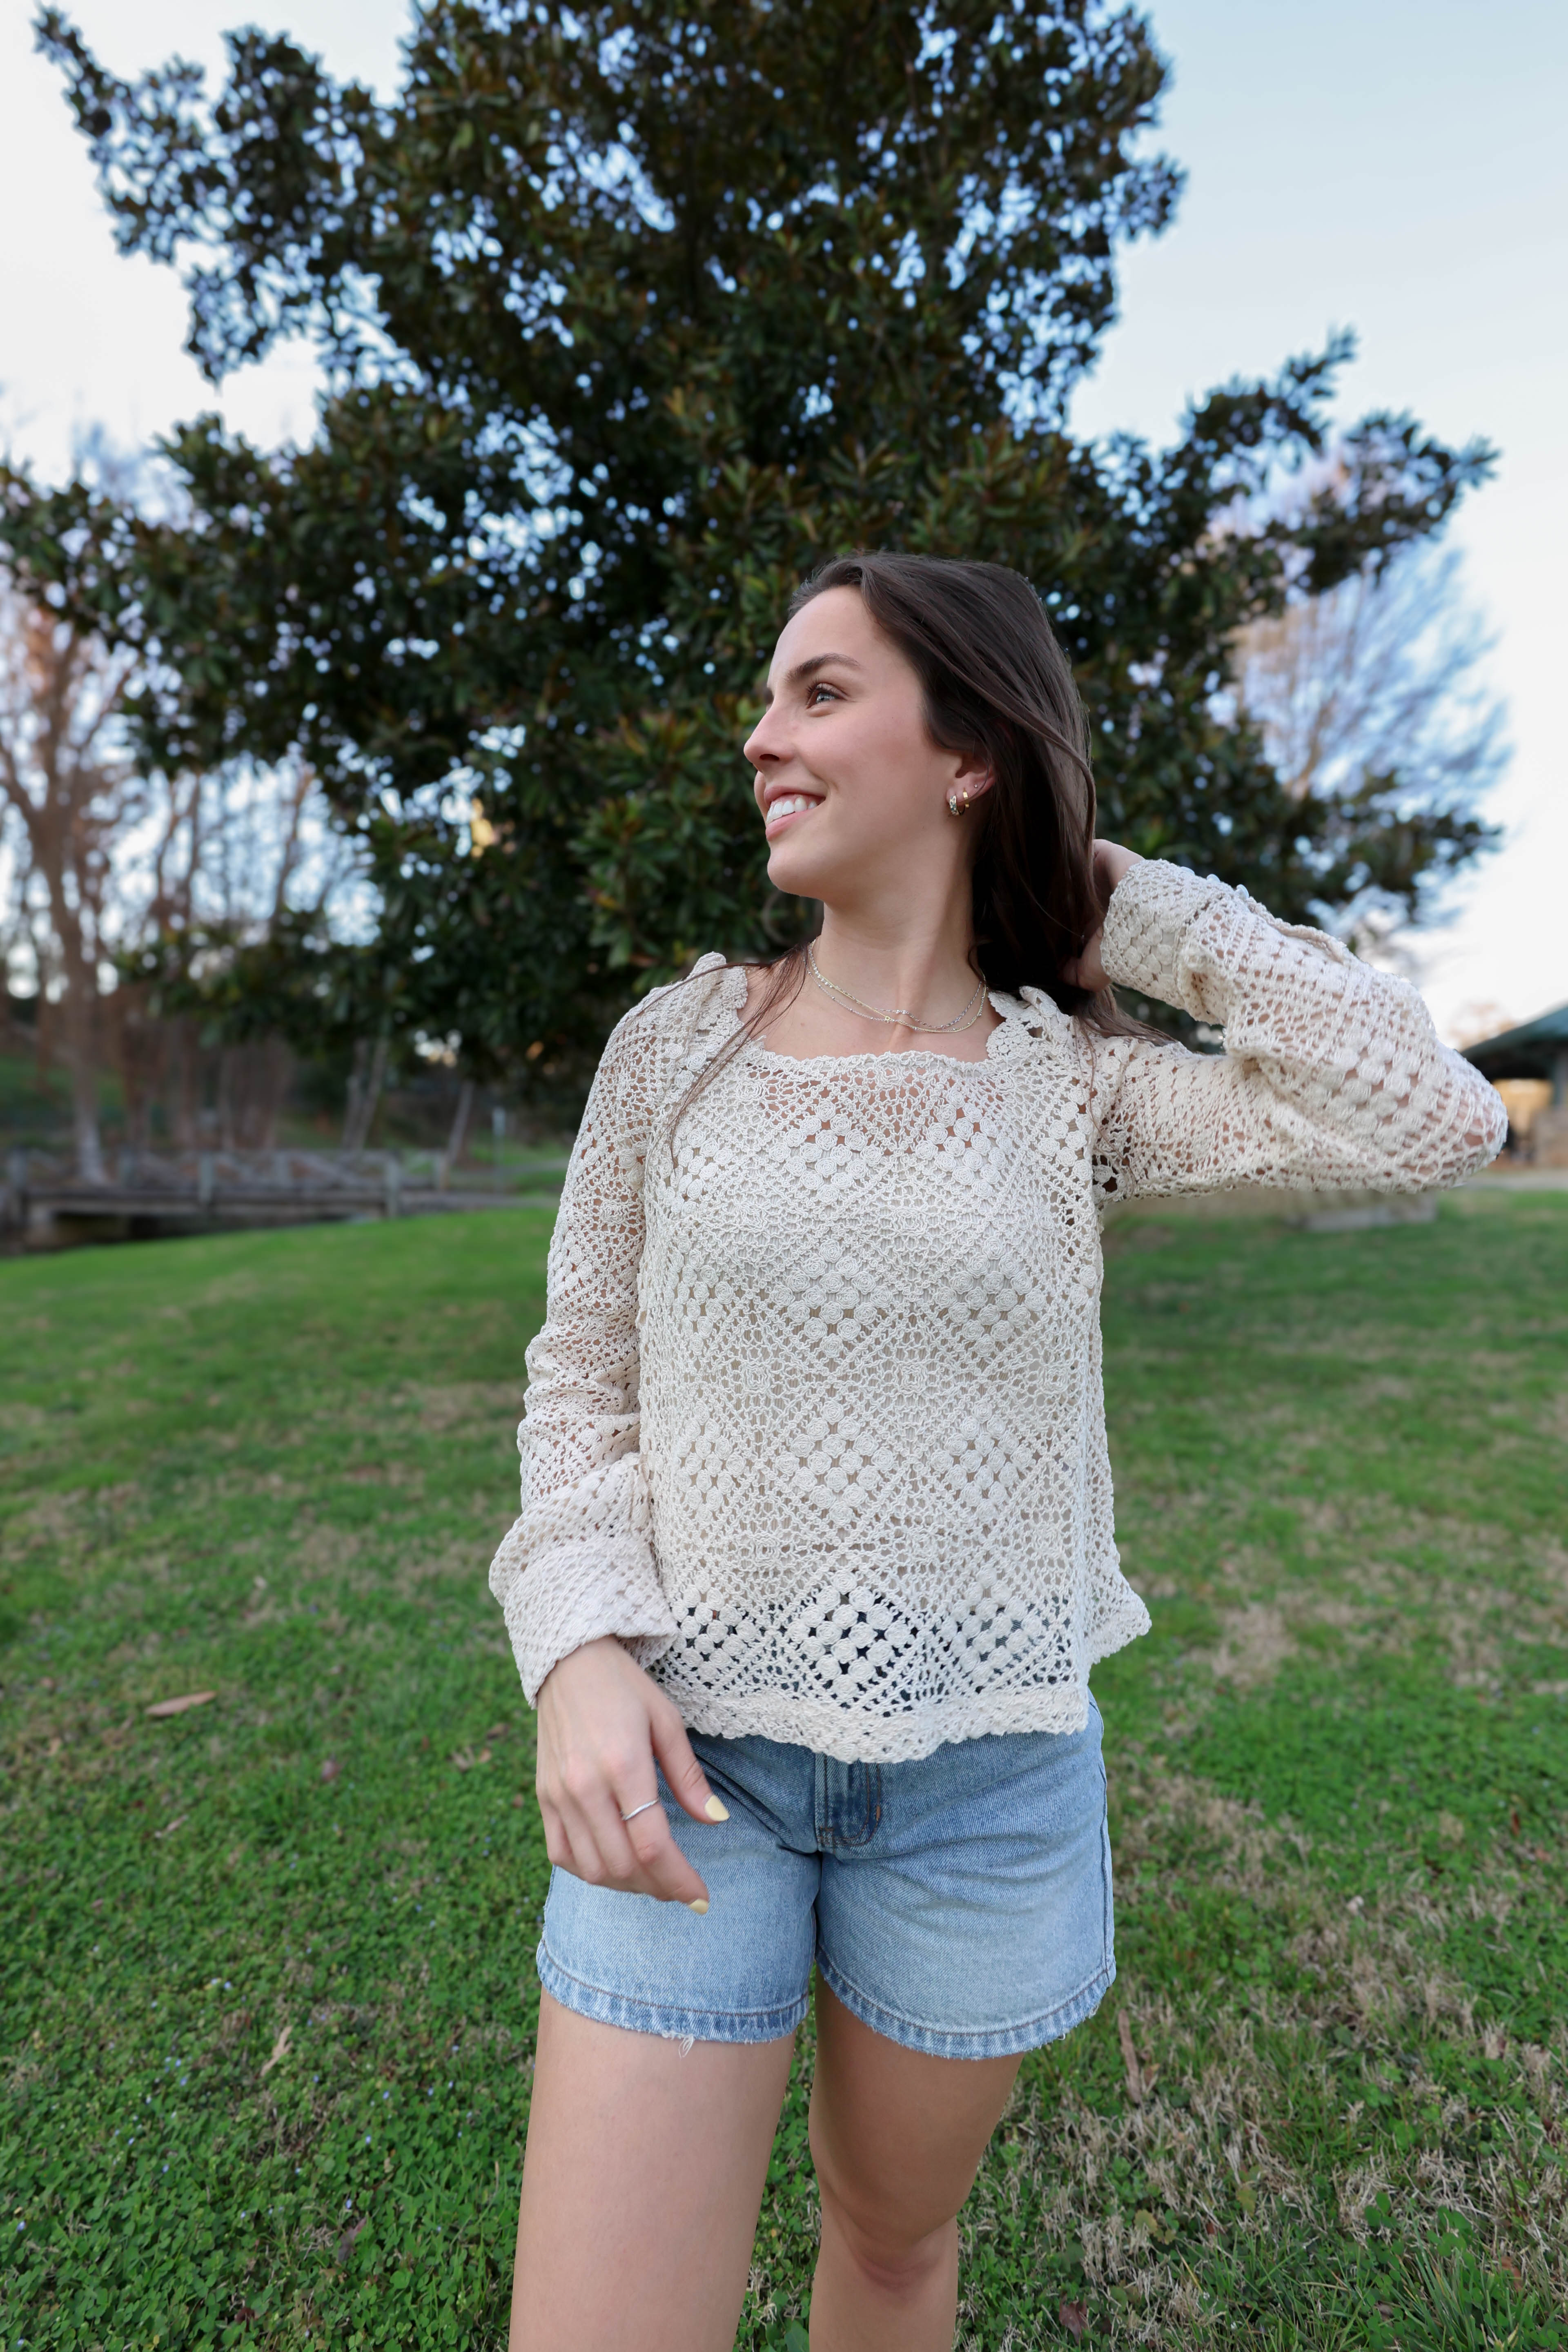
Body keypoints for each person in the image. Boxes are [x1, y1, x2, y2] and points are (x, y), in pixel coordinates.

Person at [491, 553, 1503, 2352]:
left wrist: (1120, 901)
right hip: (689, 1766)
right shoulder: (677, 1050)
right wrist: (574, 1642)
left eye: (819, 694)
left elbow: (1428, 1115)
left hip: (986, 1787)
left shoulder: (1076, 1082)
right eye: (767, 695)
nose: (759, 737)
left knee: (892, 2254)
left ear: (967, 750)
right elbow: (585, 1371)